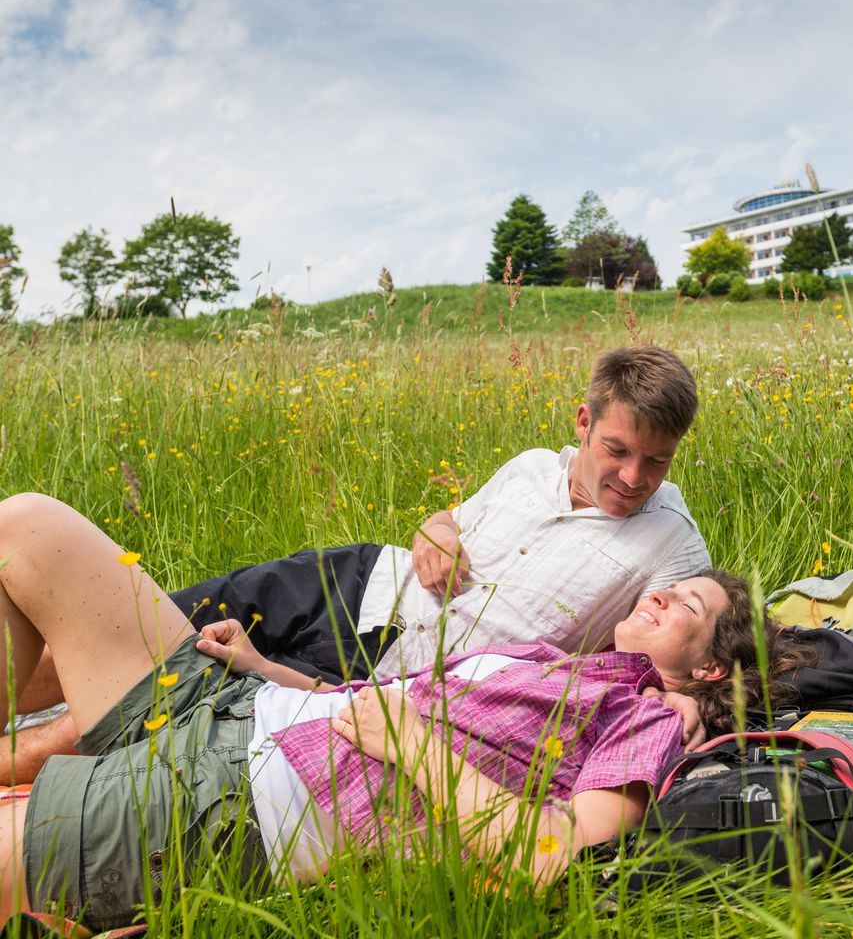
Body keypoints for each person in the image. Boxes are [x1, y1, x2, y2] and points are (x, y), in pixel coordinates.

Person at [0, 494, 798, 932]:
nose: (658, 591)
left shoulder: (647, 726)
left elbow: (549, 856)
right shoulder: (569, 663)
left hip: (231, 804)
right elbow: (374, 701)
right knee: (28, 526)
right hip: (237, 702)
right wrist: (262, 665)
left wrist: (415, 745)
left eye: (685, 600)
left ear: (709, 666)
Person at [2, 345, 712, 782]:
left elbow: (699, 630)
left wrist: (685, 698)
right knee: (134, 619)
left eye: (656, 460)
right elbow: (448, 523)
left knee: (157, 685)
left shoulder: (669, 539)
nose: (633, 476)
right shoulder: (532, 466)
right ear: (583, 424)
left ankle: (23, 762)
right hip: (357, 581)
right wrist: (434, 528)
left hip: (381, 676)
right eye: (618, 450)